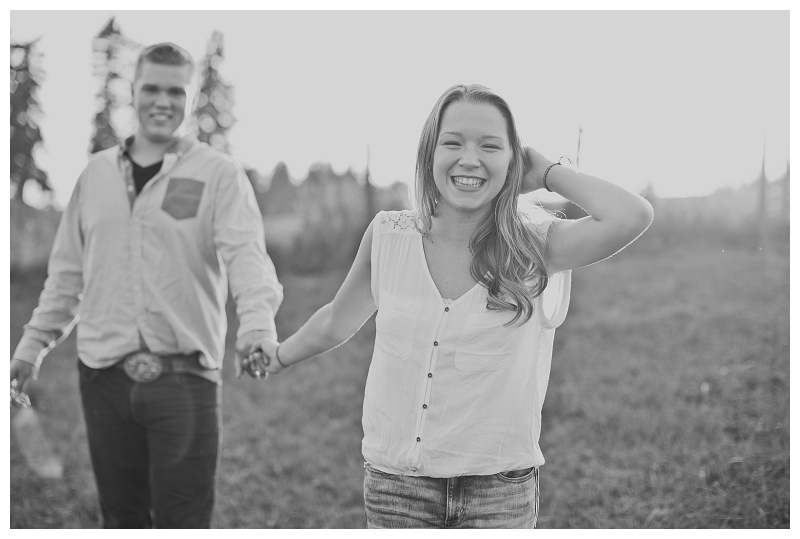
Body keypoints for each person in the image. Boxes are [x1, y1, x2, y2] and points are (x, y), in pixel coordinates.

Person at [248, 84, 654, 529]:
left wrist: (548, 170)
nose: (469, 159)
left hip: (498, 492)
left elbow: (631, 215)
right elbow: (335, 320)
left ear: (513, 161)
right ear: (429, 154)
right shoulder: (389, 235)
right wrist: (279, 355)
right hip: (396, 487)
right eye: (453, 142)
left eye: (490, 146)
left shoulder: (537, 246)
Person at [9, 43, 283, 528]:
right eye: (151, 88)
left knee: (185, 522)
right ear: (132, 92)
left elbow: (246, 256)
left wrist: (256, 326)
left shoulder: (218, 175)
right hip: (103, 379)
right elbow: (68, 274)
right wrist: (31, 347)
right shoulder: (94, 175)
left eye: (175, 91)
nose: (163, 101)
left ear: (189, 96)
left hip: (186, 380)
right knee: (121, 519)